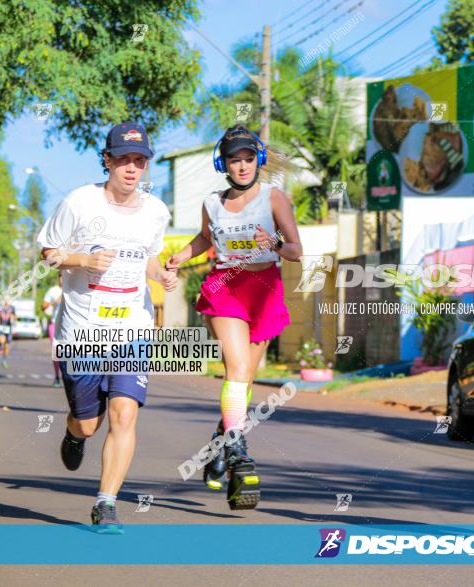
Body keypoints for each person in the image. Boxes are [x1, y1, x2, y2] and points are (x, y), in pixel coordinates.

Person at [37, 122, 176, 533]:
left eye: (139, 160)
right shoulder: (80, 203)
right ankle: (74, 433)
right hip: (82, 329)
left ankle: (105, 502)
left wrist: (162, 274)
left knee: (124, 414)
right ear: (108, 160)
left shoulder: (156, 210)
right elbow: (48, 255)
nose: (132, 168)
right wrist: (82, 261)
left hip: (133, 327)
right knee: (88, 422)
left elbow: (148, 258)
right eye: (123, 159)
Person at [166, 124, 302, 510]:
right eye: (233, 160)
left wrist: (274, 242)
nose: (241, 166)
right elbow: (206, 238)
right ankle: (239, 452)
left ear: (257, 159)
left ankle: (220, 444)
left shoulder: (275, 198)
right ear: (222, 164)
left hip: (264, 292)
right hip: (226, 287)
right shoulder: (212, 202)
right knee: (237, 368)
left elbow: (295, 250)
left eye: (247, 159)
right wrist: (181, 255)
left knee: (243, 382)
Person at [42, 278, 63, 386]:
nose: (62, 279)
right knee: (56, 352)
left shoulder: (76, 287)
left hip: (72, 326)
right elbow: (43, 306)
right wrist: (55, 302)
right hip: (55, 324)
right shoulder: (53, 291)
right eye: (61, 277)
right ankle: (57, 376)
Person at [0, 297, 16, 367]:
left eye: (8, 299)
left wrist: (13, 318)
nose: (6, 301)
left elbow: (15, 316)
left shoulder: (12, 308)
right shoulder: (0, 307)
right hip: (1, 327)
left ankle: (4, 360)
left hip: (9, 328)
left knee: (7, 346)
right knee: (2, 340)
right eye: (5, 299)